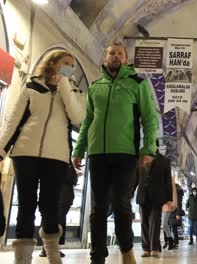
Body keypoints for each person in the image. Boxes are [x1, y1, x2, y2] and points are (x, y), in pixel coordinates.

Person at [72, 42, 158, 264]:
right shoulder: (94, 87)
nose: (116, 56)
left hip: (126, 154)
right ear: (105, 58)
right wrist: (79, 148)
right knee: (98, 208)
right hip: (98, 154)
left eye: (120, 53)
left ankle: (127, 250)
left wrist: (148, 149)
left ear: (126, 60)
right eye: (112, 53)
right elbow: (88, 120)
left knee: (121, 204)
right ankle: (97, 257)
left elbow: (149, 119)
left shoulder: (138, 84)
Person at [0, 50, 85, 264]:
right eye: (66, 63)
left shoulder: (74, 91)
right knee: (26, 205)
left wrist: (64, 85)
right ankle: (22, 257)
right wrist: (0, 150)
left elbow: (76, 118)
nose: (70, 67)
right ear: (53, 63)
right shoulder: (31, 86)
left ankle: (53, 253)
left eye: (72, 65)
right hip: (25, 152)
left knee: (49, 205)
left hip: (56, 157)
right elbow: (13, 121)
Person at [136, 140, 172, 258]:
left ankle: (154, 248)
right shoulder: (140, 158)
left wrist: (169, 198)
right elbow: (135, 177)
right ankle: (146, 248)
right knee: (144, 222)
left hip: (157, 196)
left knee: (155, 222)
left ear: (156, 146)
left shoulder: (164, 161)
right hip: (142, 195)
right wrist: (129, 192)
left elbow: (167, 181)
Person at [38, 166, 78, 258]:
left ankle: (47, 248)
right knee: (57, 222)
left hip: (57, 196)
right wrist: (75, 175)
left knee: (51, 219)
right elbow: (72, 178)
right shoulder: (63, 161)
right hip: (62, 196)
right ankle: (49, 249)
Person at [162, 175, 177, 252]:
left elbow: (173, 191)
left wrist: (173, 204)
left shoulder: (170, 178)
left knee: (164, 223)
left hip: (167, 204)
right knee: (163, 225)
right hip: (158, 204)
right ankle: (168, 241)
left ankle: (170, 239)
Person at [170, 184, 185, 248]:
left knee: (173, 228)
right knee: (172, 228)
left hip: (175, 212)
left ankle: (175, 242)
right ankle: (173, 242)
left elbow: (179, 204)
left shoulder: (178, 194)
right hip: (171, 212)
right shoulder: (175, 193)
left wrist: (178, 214)